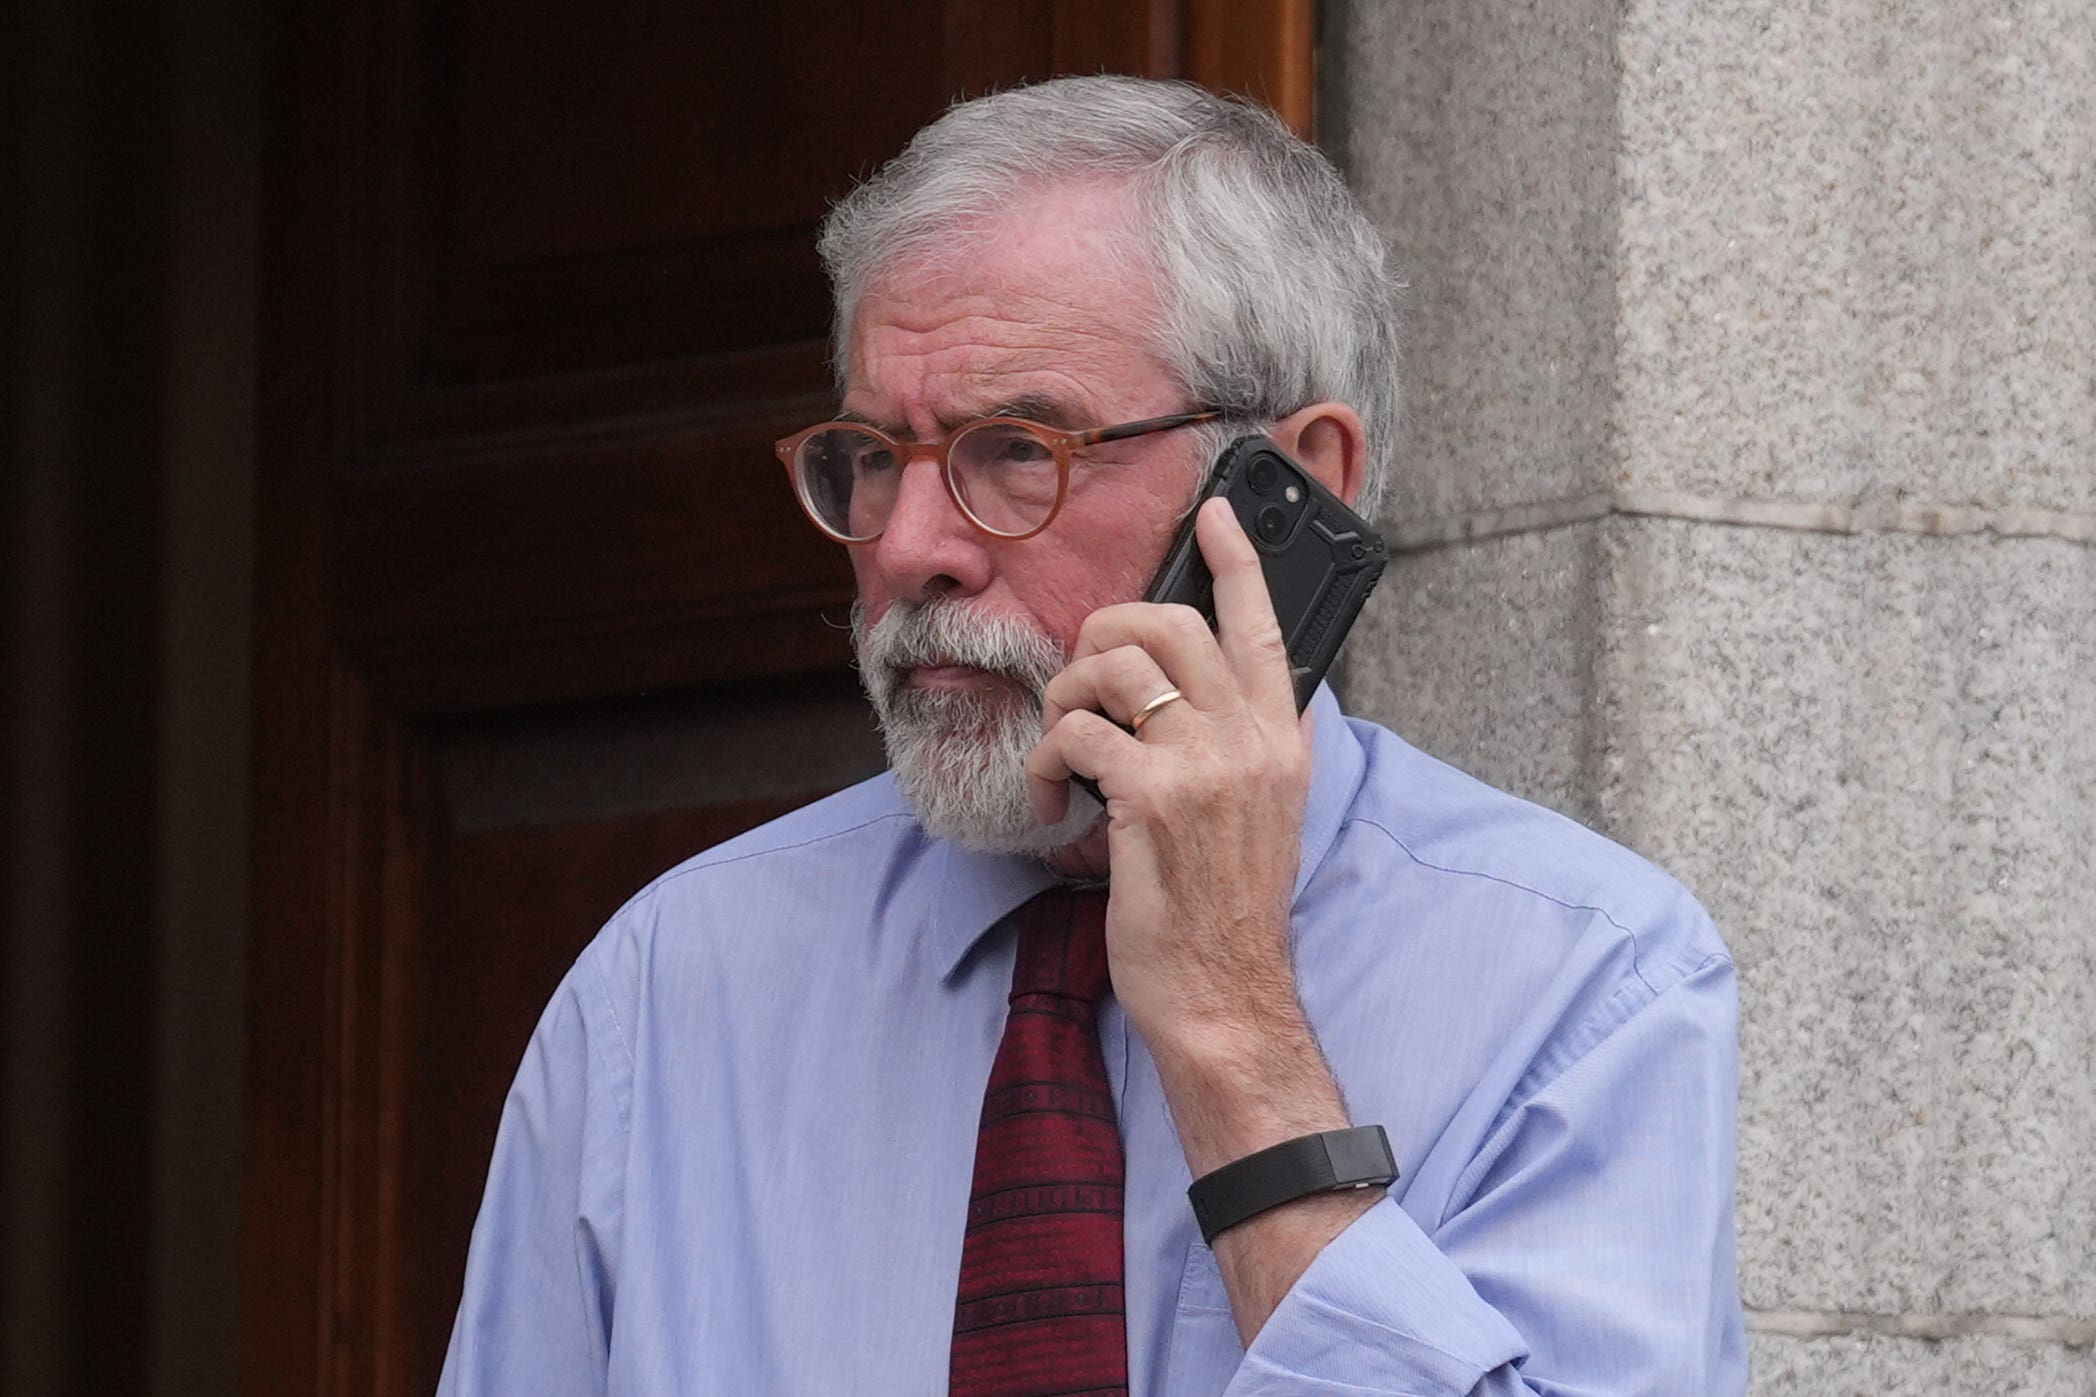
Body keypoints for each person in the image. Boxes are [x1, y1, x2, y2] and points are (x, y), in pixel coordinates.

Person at [437, 76, 1744, 1396]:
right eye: (874, 456)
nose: (909, 547)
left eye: (1016, 449)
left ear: (1297, 482)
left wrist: (1236, 1038)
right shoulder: (671, 989)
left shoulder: (1583, 984)